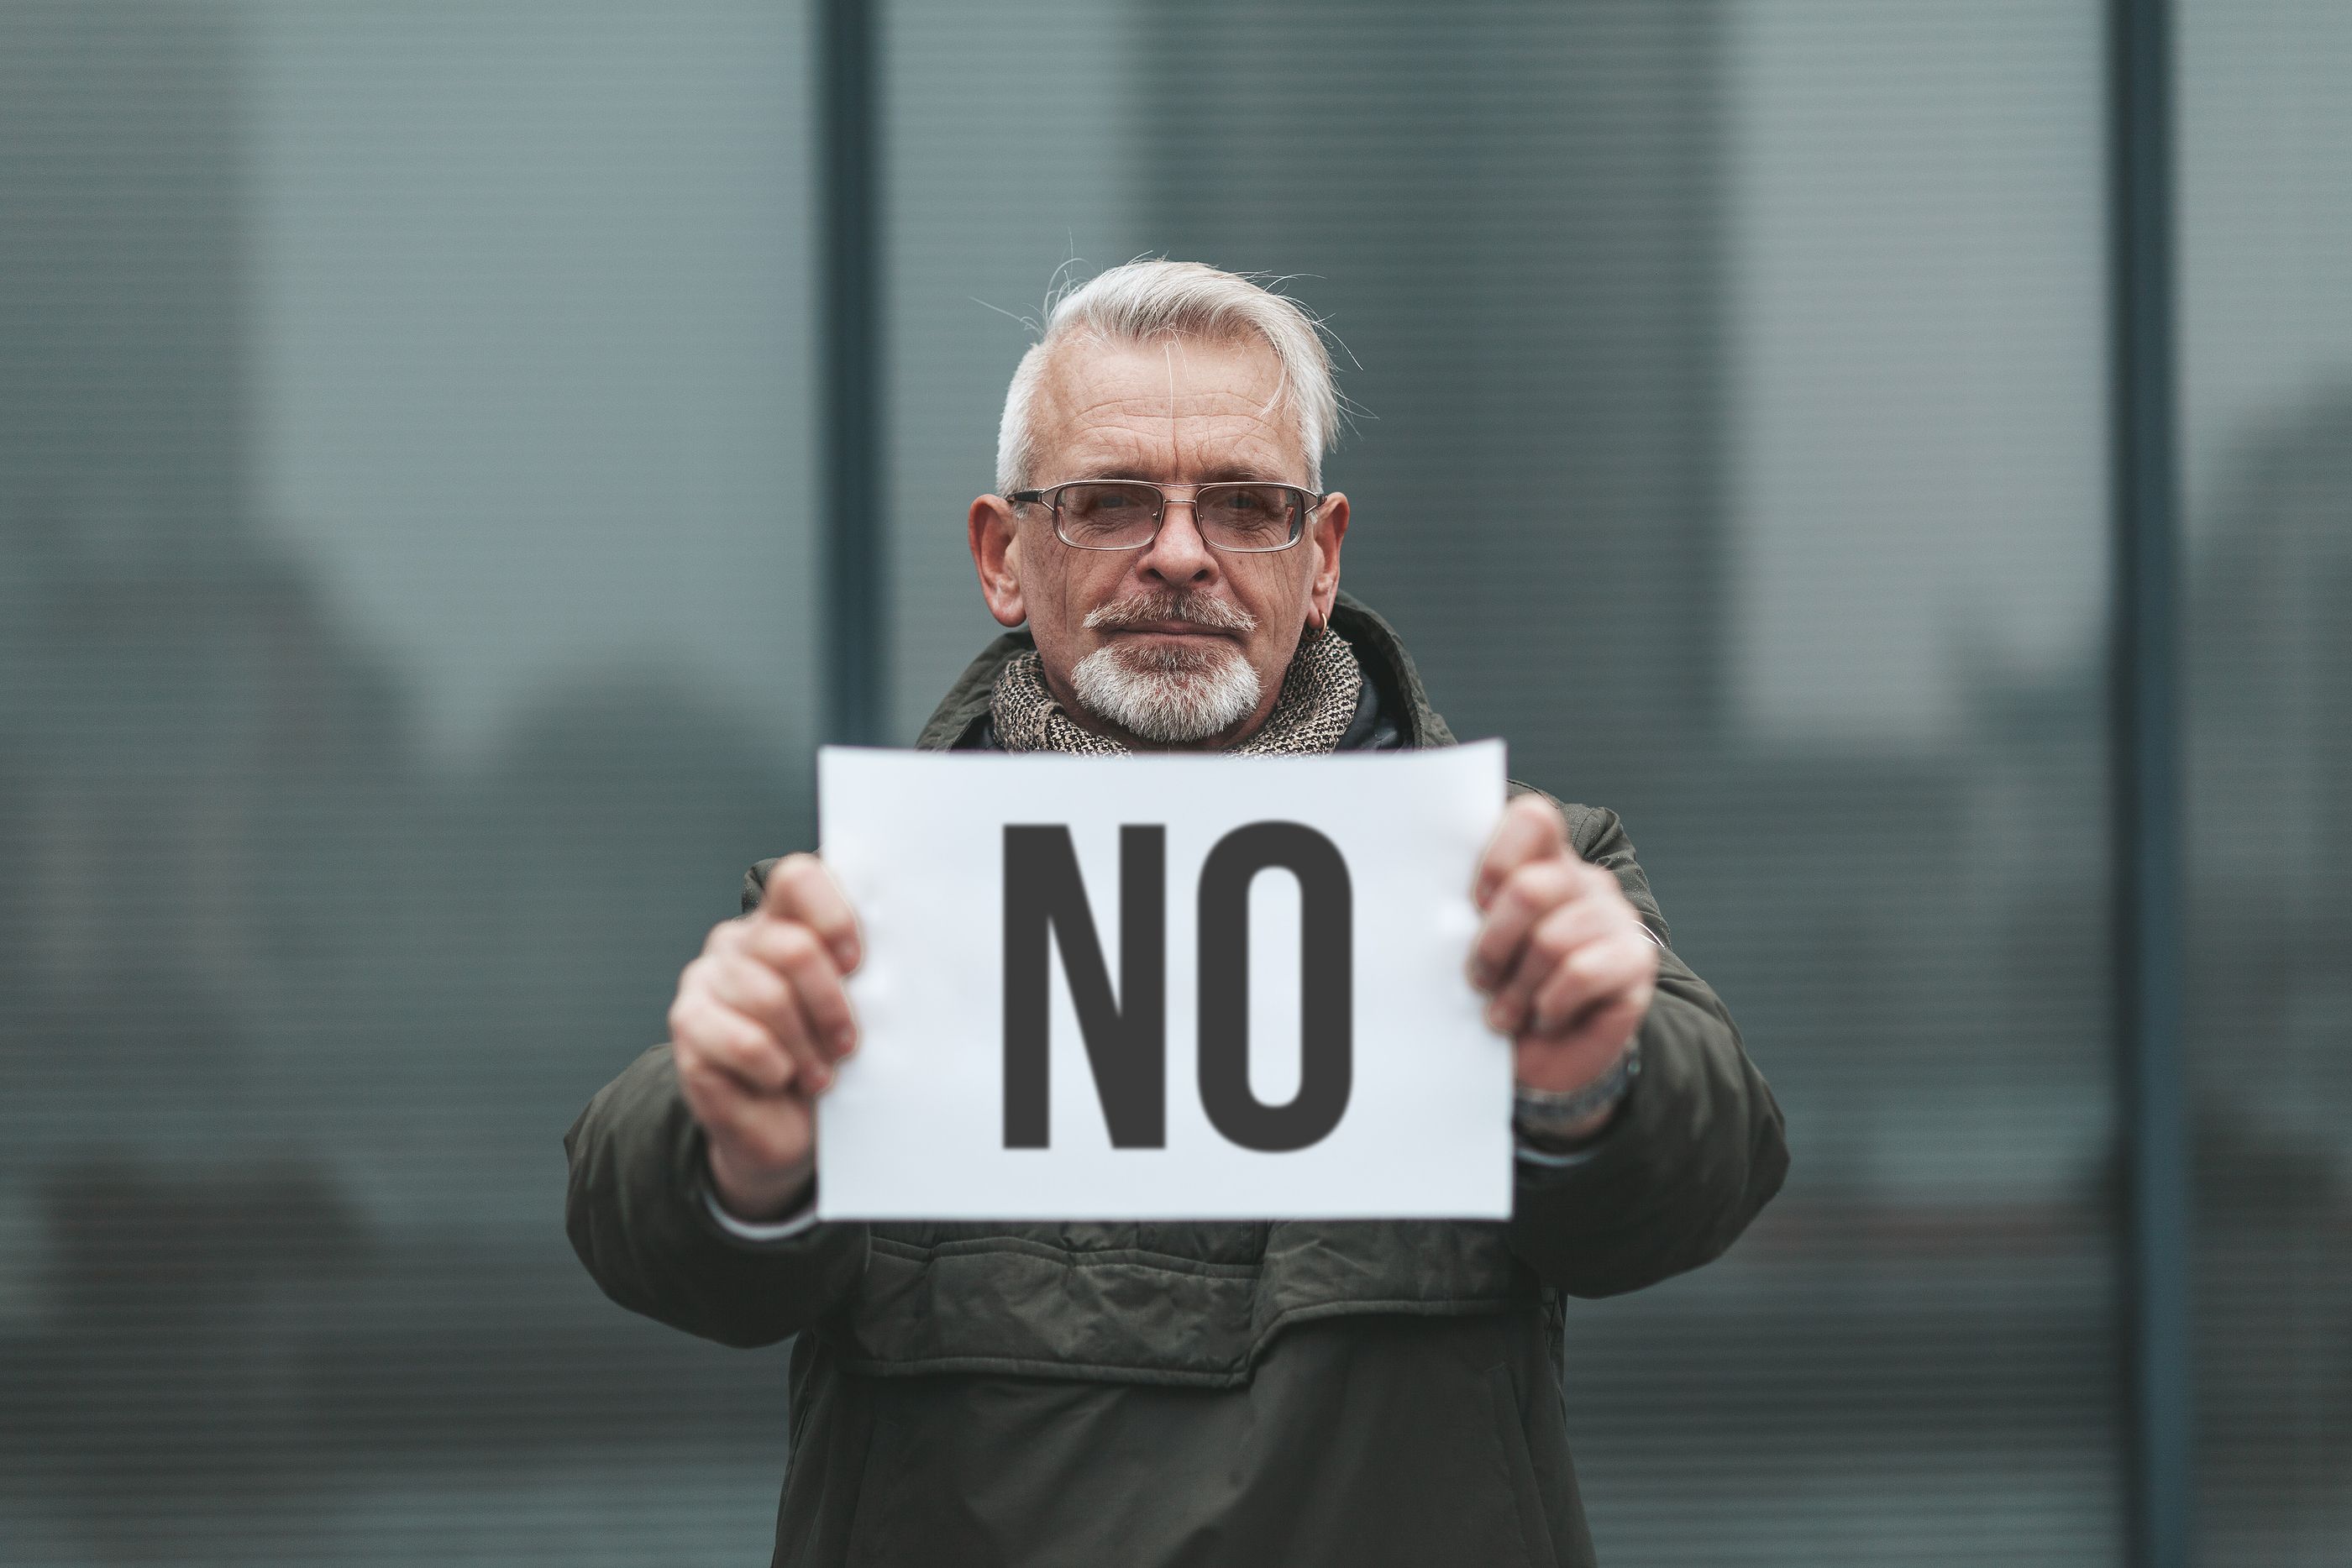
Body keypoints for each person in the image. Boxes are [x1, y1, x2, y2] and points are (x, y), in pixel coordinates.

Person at [564, 260, 1787, 1567]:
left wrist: (1595, 1088)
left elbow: (1704, 1174)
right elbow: (646, 1222)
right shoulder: (861, 908)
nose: (1182, 554)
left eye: (1249, 507)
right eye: (1107, 505)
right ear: (1002, 556)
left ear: (1320, 563)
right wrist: (740, 1155)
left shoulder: (1519, 885)